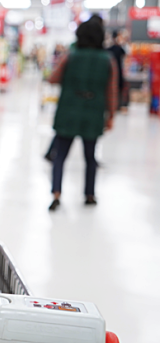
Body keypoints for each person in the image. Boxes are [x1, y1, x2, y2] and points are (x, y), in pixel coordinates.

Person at [48, 16, 118, 211]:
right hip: (93, 111)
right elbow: (111, 91)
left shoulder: (71, 55)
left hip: (68, 108)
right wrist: (111, 115)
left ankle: (56, 194)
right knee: (90, 156)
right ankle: (89, 194)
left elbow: (53, 78)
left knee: (60, 155)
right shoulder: (108, 60)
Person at [108, 30, 128, 112]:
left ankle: (115, 105)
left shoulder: (115, 48)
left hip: (115, 71)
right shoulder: (115, 48)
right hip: (116, 71)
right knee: (116, 88)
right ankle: (116, 105)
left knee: (116, 87)